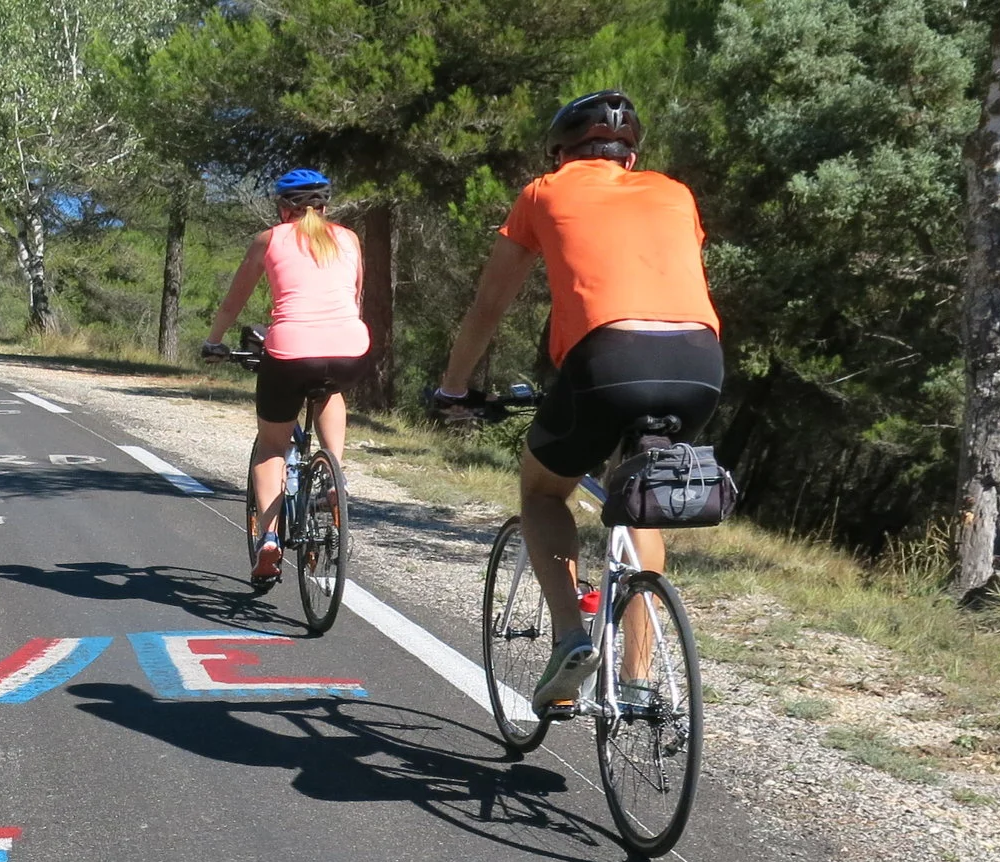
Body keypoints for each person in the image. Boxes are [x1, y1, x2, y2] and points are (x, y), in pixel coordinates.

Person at [431, 91, 723, 708]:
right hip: (700, 363)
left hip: (609, 359)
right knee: (642, 499)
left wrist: (454, 387)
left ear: (561, 153)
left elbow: (489, 308)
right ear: (631, 154)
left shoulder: (543, 192)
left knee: (542, 490)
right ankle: (640, 680)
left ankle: (570, 639)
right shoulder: (676, 193)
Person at [205, 169, 370, 586]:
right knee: (330, 390)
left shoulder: (270, 239)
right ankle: (336, 474)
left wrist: (215, 341)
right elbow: (355, 298)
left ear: (282, 209)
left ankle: (269, 538)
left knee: (271, 446)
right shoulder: (349, 239)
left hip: (290, 349)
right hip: (349, 347)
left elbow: (233, 302)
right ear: (325, 206)